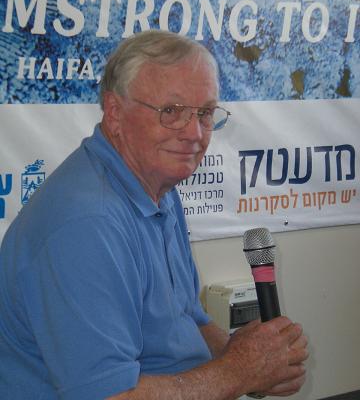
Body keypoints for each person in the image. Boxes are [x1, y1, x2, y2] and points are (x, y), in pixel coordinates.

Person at [0, 30, 308, 400]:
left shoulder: (157, 187)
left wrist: (247, 358)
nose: (194, 133)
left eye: (205, 113)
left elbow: (188, 317)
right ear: (115, 113)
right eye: (172, 112)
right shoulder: (86, 224)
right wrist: (238, 371)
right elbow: (107, 396)